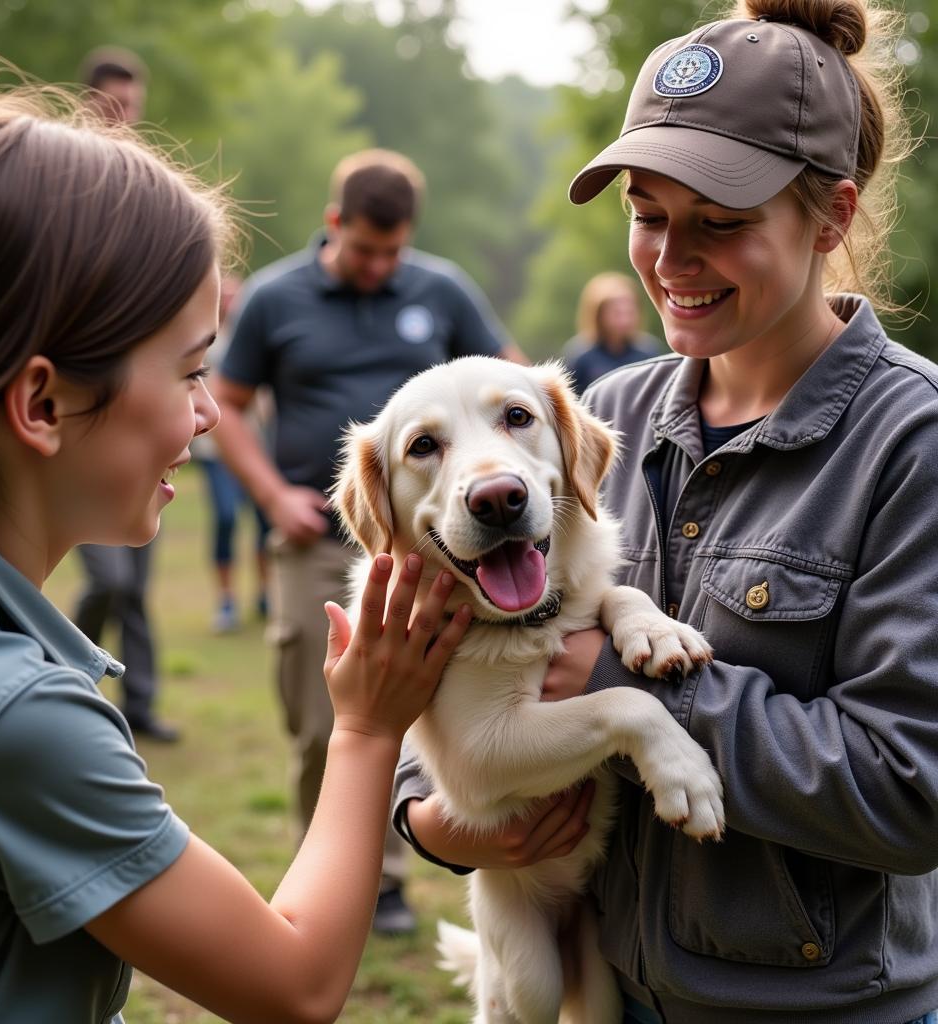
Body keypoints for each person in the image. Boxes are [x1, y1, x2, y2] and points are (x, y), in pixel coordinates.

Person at [393, 1, 938, 1021]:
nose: (670, 260)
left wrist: (648, 698)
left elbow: (916, 787)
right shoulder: (602, 413)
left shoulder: (910, 442)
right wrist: (434, 822)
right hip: (603, 989)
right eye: (647, 215)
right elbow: (442, 666)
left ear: (833, 216)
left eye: (719, 224)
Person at [0, 90, 472, 1024]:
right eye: (187, 372)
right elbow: (293, 987)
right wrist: (370, 731)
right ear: (43, 405)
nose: (209, 414)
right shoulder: (7, 717)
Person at [212, 148, 527, 934]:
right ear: (333, 225)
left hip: (434, 546)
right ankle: (326, 863)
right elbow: (228, 400)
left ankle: (384, 880)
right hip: (320, 536)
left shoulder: (441, 288)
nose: (380, 266)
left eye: (393, 251)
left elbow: (512, 376)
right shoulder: (274, 299)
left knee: (424, 702)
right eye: (364, 250)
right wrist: (272, 492)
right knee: (322, 714)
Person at [72, 46, 177, 741]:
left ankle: (138, 708)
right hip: (83, 419)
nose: (122, 119)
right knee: (107, 577)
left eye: (131, 109)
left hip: (143, 416)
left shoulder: (149, 194)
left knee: (137, 583)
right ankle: (69, 678)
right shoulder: (67, 192)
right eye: (111, 108)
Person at [191, 271, 271, 632]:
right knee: (225, 518)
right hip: (214, 450)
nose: (231, 301)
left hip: (256, 446)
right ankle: (226, 599)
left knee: (264, 524)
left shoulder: (255, 336)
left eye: (237, 294)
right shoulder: (205, 341)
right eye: (226, 294)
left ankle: (265, 593)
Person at [562, 271, 662, 394]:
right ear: (599, 315)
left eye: (629, 313)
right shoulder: (580, 356)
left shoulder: (648, 352)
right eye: (617, 313)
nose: (625, 320)